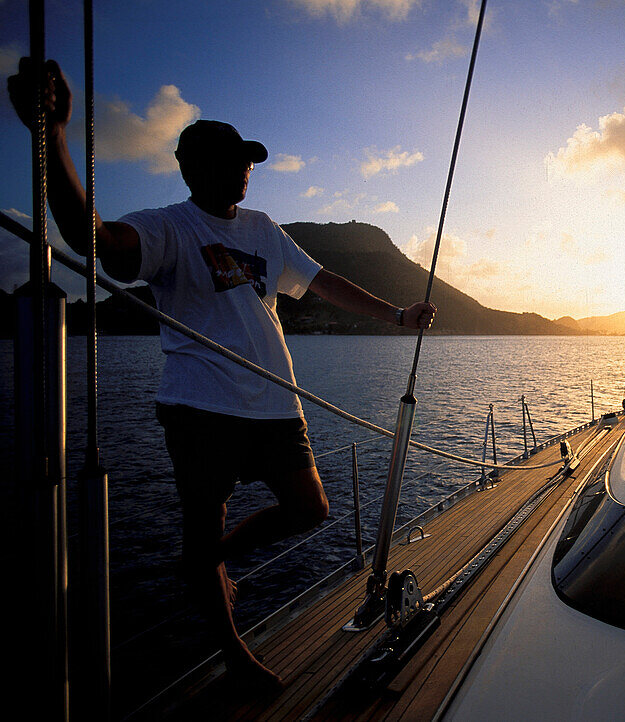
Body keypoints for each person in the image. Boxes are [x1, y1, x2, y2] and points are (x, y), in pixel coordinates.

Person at [8, 59, 436, 691]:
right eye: (237, 158)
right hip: (199, 404)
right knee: (204, 524)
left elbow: (323, 284)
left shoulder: (263, 229)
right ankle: (233, 652)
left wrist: (398, 315)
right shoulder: (167, 226)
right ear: (193, 167)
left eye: (250, 159)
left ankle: (208, 564)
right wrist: (54, 136)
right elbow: (90, 237)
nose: (247, 168)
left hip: (272, 402)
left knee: (309, 509)